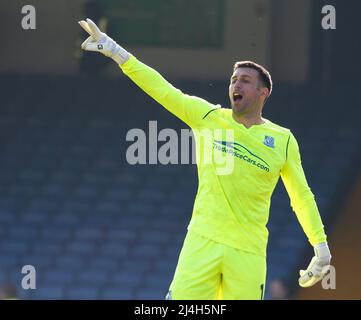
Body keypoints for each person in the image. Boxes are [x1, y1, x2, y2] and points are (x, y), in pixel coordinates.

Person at [78, 18, 332, 300]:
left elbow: (301, 196)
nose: (236, 84)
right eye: (234, 80)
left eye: (245, 81)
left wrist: (320, 247)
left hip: (248, 252)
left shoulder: (283, 140)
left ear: (264, 92)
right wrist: (115, 51)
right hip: (202, 240)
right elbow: (162, 90)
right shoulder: (209, 117)